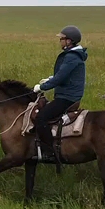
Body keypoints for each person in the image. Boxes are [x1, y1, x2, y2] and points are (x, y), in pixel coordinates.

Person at [32, 25, 88, 162]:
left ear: (69, 41)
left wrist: (42, 87)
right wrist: (50, 78)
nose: (60, 41)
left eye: (62, 39)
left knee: (41, 118)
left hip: (67, 97)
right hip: (67, 94)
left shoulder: (71, 57)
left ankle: (50, 153)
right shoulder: (73, 56)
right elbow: (63, 75)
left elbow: (60, 78)